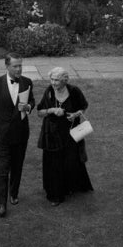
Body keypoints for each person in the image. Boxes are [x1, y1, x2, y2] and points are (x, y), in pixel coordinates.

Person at [35, 67, 93, 206]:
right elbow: (40, 112)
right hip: (52, 134)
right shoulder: (49, 91)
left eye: (57, 80)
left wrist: (75, 115)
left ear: (64, 80)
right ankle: (55, 194)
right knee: (54, 164)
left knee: (71, 161)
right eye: (52, 79)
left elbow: (83, 107)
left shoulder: (74, 91)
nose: (53, 83)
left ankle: (71, 187)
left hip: (70, 133)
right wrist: (52, 110)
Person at [0, 53, 35, 217]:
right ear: (7, 66)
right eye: (15, 66)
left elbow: (32, 102)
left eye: (20, 65)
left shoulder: (27, 82)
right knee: (2, 168)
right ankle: (2, 203)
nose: (19, 68)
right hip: (3, 134)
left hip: (21, 133)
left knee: (17, 166)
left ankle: (13, 193)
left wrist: (28, 107)